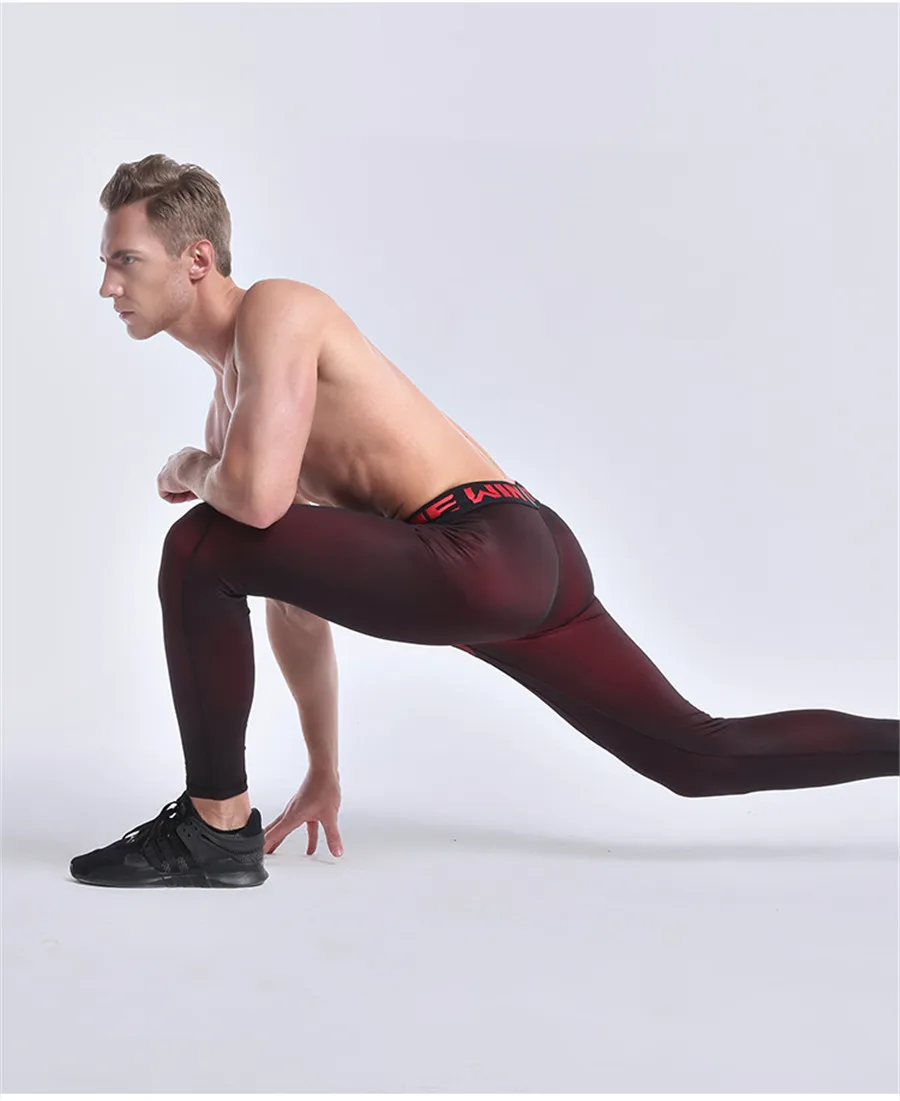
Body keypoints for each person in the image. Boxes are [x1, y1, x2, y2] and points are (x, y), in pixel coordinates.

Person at [71, 154, 899, 889]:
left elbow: (252, 505)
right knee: (694, 755)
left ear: (197, 260)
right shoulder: (237, 411)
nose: (108, 285)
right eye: (106, 263)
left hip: (475, 548)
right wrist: (324, 767)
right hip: (528, 555)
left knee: (200, 542)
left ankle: (215, 828)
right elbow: (295, 597)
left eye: (124, 259)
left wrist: (187, 467)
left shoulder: (277, 310)